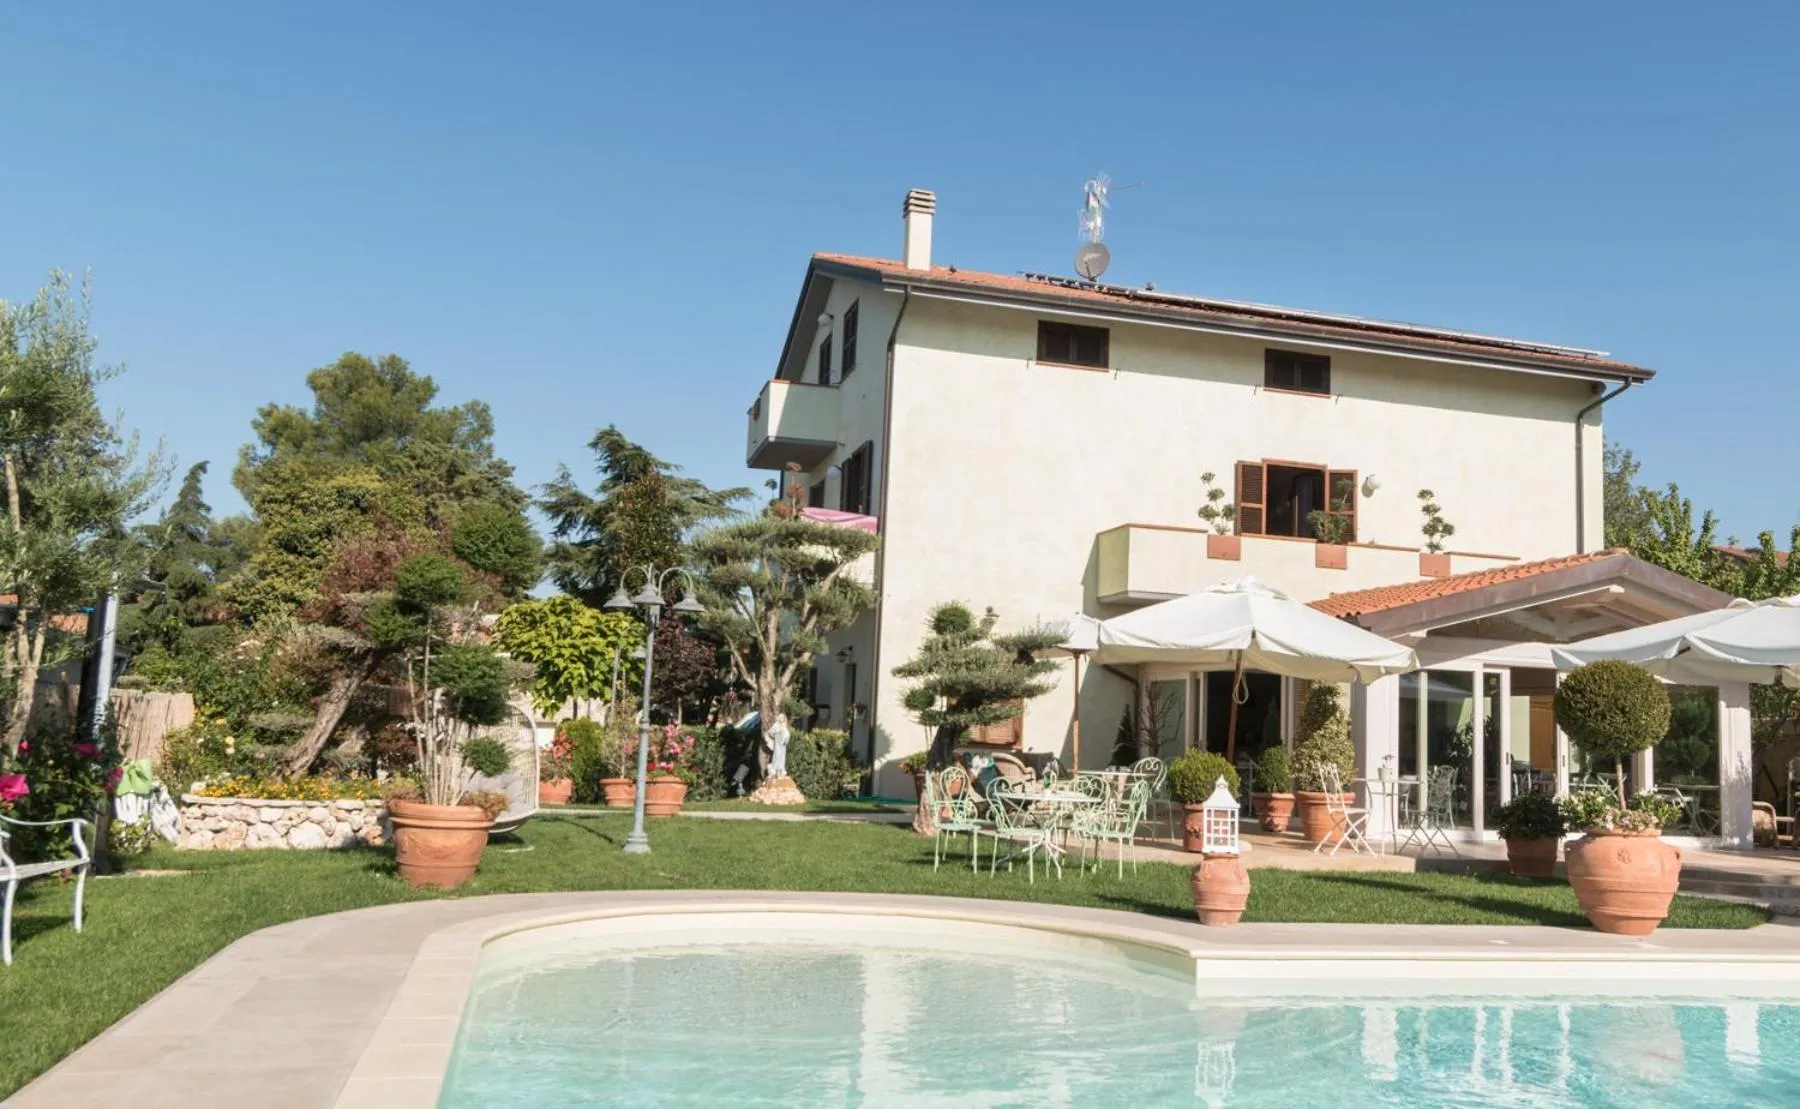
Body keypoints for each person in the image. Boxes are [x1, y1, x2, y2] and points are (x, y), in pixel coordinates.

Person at [765, 712, 792, 780]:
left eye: (782, 717)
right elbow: (770, 732)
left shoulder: (784, 725)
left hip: (783, 744)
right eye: (780, 717)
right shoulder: (776, 725)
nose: (781, 718)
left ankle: (780, 772)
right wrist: (777, 733)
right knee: (776, 756)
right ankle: (773, 772)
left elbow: (787, 734)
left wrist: (786, 738)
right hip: (777, 743)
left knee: (782, 758)